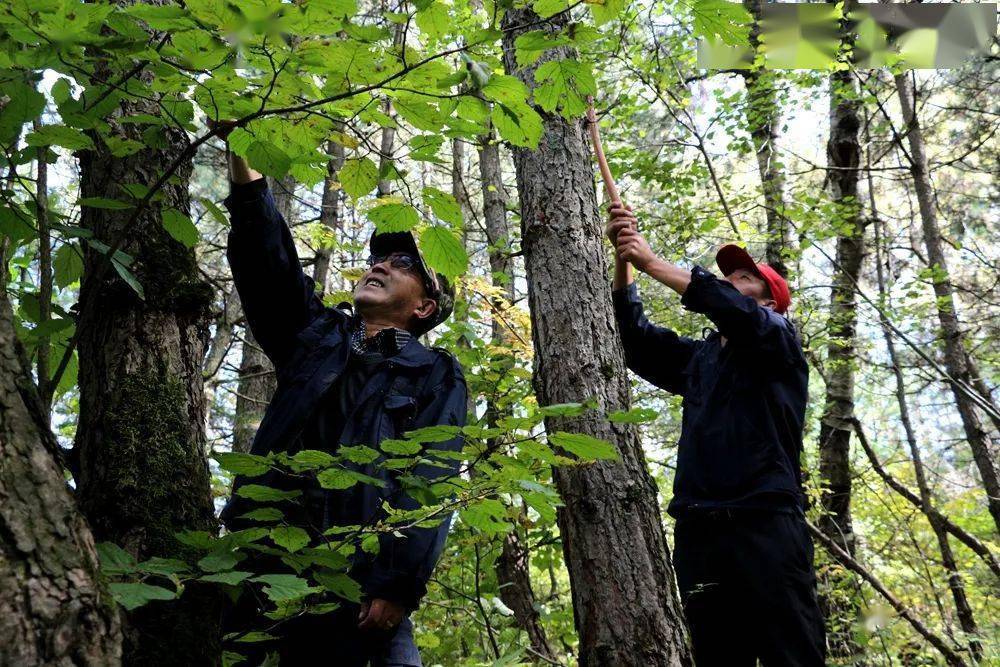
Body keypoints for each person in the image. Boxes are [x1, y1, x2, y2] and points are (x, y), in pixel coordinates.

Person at [214, 121, 467, 667]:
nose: (380, 264)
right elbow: (268, 265)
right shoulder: (316, 337)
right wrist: (241, 151)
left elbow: (432, 478)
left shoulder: (437, 374)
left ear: (425, 307)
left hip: (358, 583)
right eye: (380, 258)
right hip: (264, 564)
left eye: (403, 266)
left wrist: (397, 586)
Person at [606, 203, 826, 666]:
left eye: (747, 279)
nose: (731, 281)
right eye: (730, 275)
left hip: (765, 522)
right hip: (699, 530)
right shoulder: (698, 360)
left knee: (792, 652)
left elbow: (733, 311)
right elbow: (635, 339)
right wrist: (624, 259)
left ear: (769, 303)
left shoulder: (779, 340)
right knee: (717, 655)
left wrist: (651, 261)